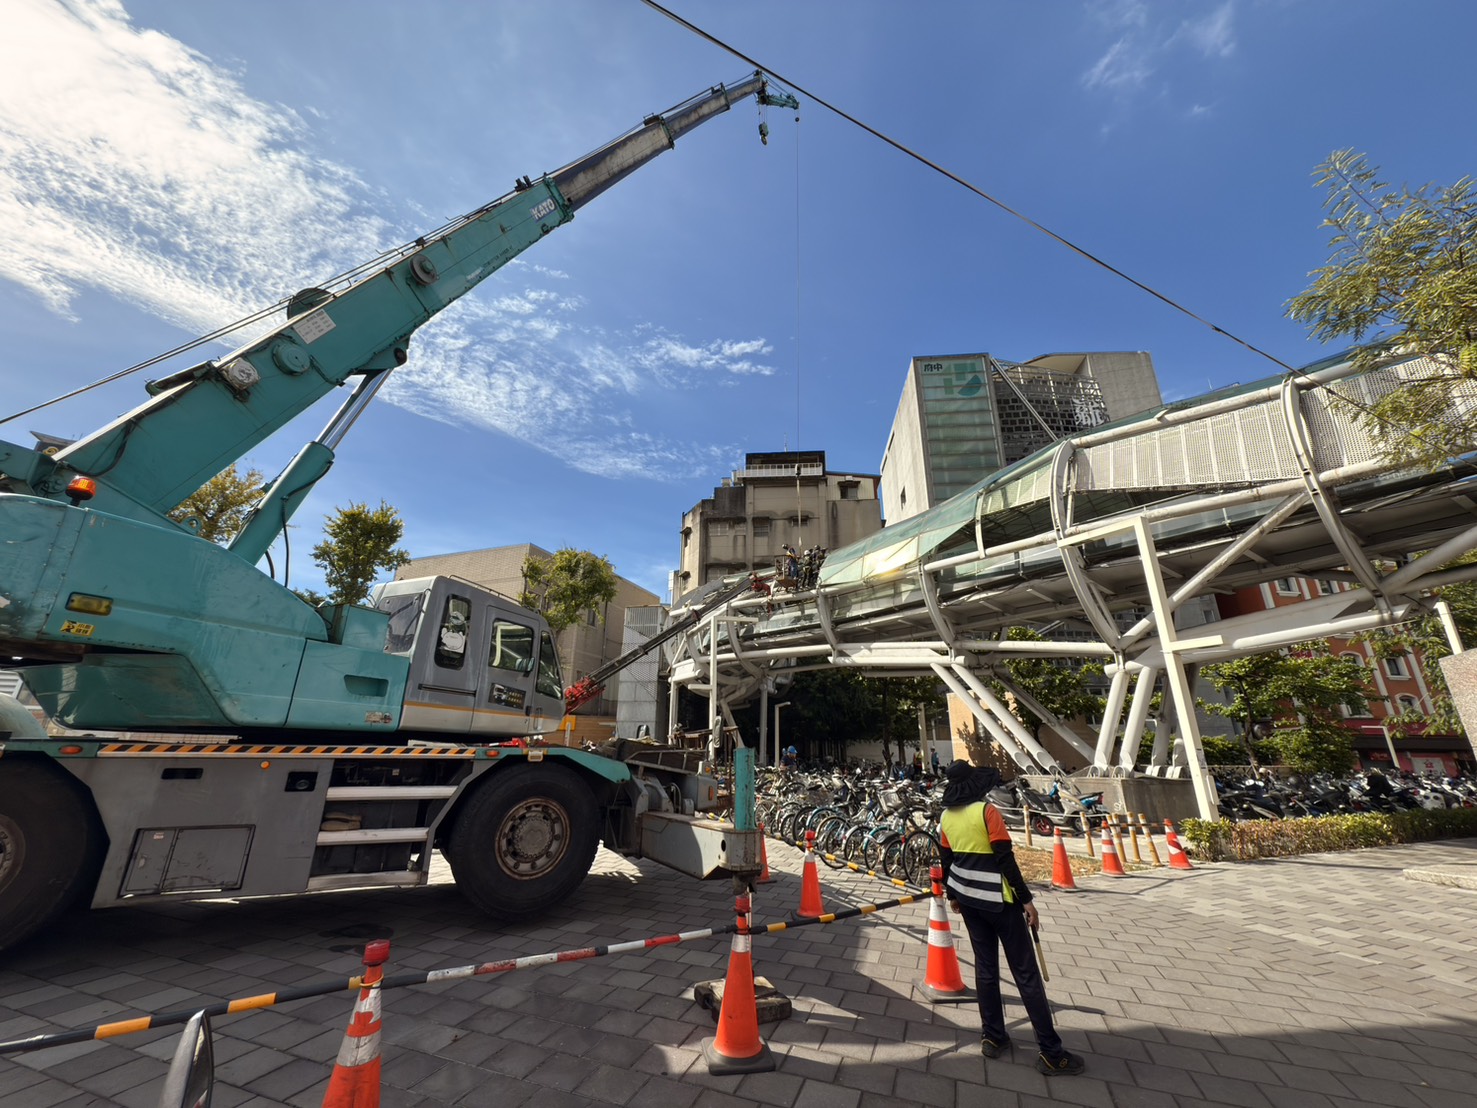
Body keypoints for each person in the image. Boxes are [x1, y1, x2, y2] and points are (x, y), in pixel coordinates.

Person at [938, 759, 1084, 1076]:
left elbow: (946, 861)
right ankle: (1051, 1052)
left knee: (985, 969)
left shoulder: (945, 818)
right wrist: (1027, 900)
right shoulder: (987, 812)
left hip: (968, 901)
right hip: (1000, 902)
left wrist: (953, 896)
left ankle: (992, 1037)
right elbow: (1006, 860)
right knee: (1026, 974)